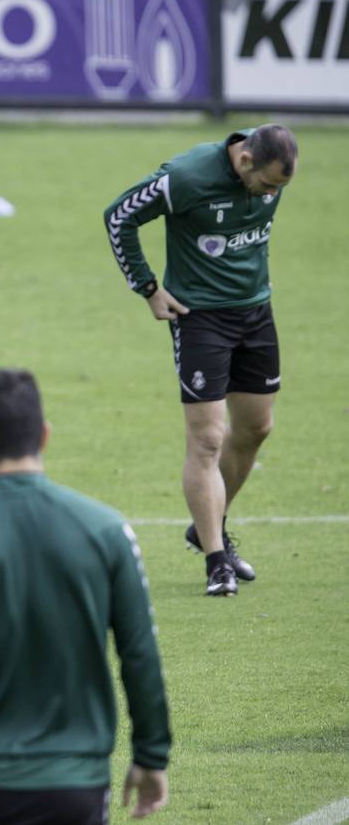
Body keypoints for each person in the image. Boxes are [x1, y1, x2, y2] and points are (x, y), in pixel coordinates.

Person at [0, 369, 171, 825]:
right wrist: (151, 754)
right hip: (80, 784)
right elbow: (140, 654)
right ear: (45, 435)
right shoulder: (108, 532)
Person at [104, 124, 297, 596]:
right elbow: (118, 217)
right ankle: (216, 559)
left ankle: (205, 523)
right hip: (200, 318)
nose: (271, 194)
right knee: (208, 439)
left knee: (255, 428)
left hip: (256, 311)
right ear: (245, 161)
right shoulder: (187, 177)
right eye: (268, 185)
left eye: (279, 189)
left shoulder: (267, 174)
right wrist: (148, 288)